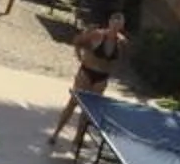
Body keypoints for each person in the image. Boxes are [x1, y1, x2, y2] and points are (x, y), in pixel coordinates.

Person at [50, 11, 131, 143]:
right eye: (114, 23)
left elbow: (120, 59)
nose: (115, 27)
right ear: (109, 22)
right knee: (73, 103)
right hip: (86, 72)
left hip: (102, 77)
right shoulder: (98, 34)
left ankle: (78, 138)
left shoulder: (121, 42)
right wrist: (79, 57)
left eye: (119, 25)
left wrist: (112, 70)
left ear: (121, 26)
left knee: (88, 108)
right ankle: (56, 133)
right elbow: (77, 41)